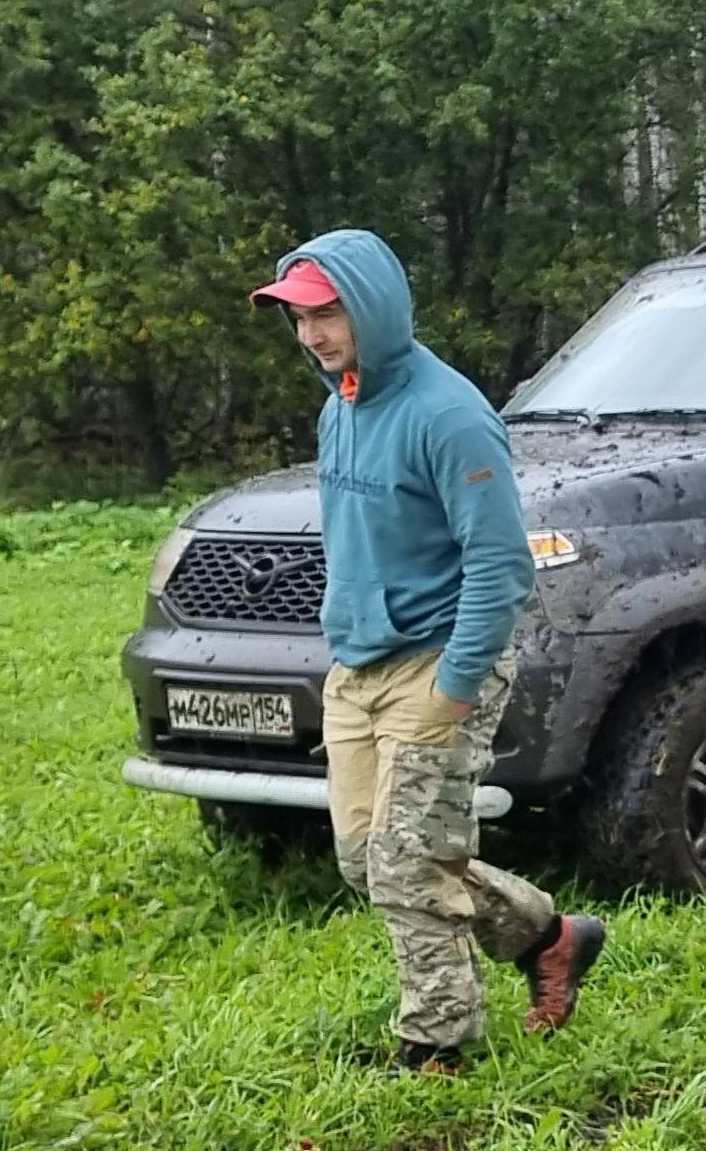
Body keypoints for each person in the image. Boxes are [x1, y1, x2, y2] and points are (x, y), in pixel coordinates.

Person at [257, 230, 604, 1076]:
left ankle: (436, 1043)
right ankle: (547, 936)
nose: (312, 334)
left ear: (370, 309)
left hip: (439, 661)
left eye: (327, 314)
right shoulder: (340, 404)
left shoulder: (447, 415)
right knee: (365, 859)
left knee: (408, 863)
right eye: (298, 319)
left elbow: (500, 565)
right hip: (360, 669)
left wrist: (456, 685)